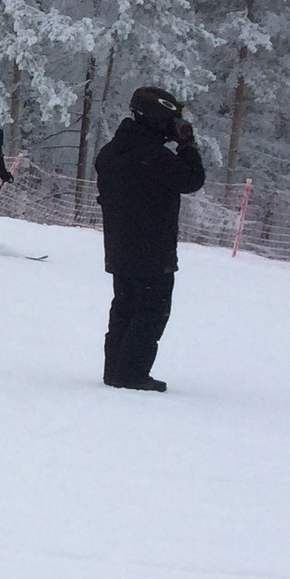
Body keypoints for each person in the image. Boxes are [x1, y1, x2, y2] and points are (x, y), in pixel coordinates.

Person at [93, 86, 206, 393]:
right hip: (152, 249)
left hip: (118, 245)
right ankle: (130, 374)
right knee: (152, 310)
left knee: (125, 306)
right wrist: (187, 145)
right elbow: (193, 179)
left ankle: (115, 371)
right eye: (173, 118)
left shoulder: (111, 152)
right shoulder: (154, 157)